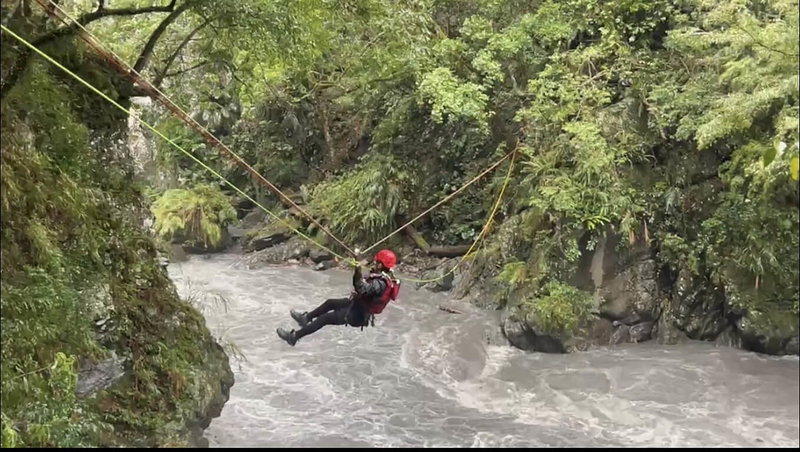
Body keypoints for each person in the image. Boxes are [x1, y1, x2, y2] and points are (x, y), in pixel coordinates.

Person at [276, 249, 401, 346]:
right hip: (357, 305)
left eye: (377, 262)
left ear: (381, 265)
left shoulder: (380, 283)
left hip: (357, 315)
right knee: (330, 303)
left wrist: (357, 268)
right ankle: (306, 318)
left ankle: (294, 337)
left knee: (324, 319)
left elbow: (361, 287)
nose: (374, 263)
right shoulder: (382, 276)